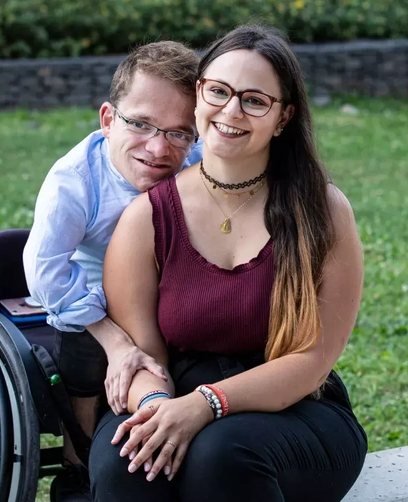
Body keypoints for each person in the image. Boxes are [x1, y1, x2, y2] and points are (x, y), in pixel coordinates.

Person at [89, 24, 369, 501]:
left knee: (221, 455)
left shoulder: (322, 210)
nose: (230, 110)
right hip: (172, 389)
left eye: (255, 100)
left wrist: (207, 404)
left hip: (295, 406)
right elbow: (140, 356)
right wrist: (160, 409)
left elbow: (313, 360)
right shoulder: (147, 218)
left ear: (283, 118)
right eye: (217, 91)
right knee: (127, 463)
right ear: (197, 96)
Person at [22, 40, 203, 501]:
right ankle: (77, 462)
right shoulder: (75, 181)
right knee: (81, 357)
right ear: (108, 120)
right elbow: (45, 274)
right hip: (94, 302)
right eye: (140, 124)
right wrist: (115, 340)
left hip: (169, 294)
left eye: (179, 132)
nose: (159, 148)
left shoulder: (200, 164)